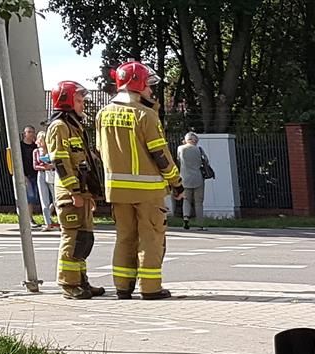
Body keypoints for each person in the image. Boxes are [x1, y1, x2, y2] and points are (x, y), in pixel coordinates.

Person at [97, 60, 181, 299]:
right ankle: (150, 287)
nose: (151, 91)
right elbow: (160, 155)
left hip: (116, 191)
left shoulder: (102, 114)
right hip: (148, 190)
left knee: (124, 237)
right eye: (148, 86)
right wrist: (176, 182)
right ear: (138, 85)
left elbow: (99, 150)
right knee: (151, 237)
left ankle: (123, 287)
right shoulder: (146, 115)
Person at [41, 80, 107, 300]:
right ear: (66, 101)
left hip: (81, 192)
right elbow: (61, 162)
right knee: (73, 238)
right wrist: (74, 192)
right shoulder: (60, 127)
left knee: (84, 239)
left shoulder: (74, 126)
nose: (82, 104)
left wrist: (88, 194)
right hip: (70, 193)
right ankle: (69, 284)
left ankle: (81, 280)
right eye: (78, 100)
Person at [9, 125, 43, 225]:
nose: (32, 134)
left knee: (37, 196)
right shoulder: (20, 147)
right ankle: (29, 219)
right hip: (26, 175)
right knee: (29, 197)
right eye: (30, 132)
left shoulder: (35, 146)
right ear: (25, 134)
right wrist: (22, 175)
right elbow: (17, 162)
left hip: (37, 174)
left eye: (33, 132)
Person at [177, 132, 205, 228]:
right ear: (195, 140)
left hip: (184, 178)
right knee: (198, 202)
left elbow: (178, 160)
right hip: (197, 178)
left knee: (186, 199)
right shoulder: (199, 149)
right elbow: (206, 161)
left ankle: (185, 218)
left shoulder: (180, 148)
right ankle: (200, 224)